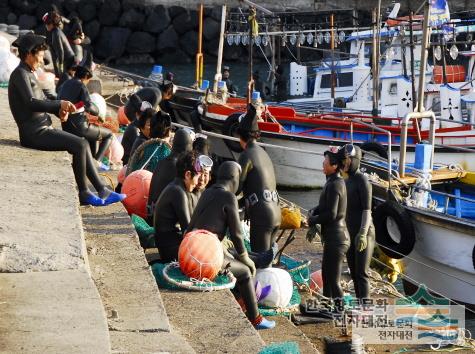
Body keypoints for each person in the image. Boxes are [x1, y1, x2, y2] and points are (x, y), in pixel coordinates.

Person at [8, 33, 124, 206]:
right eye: (39, 56)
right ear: (29, 54)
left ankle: (101, 189)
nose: (41, 61)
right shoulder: (20, 74)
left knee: (82, 143)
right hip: (34, 133)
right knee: (81, 144)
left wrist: (58, 111)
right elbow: (31, 103)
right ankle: (85, 193)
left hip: (41, 129)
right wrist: (59, 104)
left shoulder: (28, 72)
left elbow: (42, 102)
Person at [187, 161, 276, 330]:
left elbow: (192, 224)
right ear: (235, 180)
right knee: (245, 272)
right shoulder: (229, 197)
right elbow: (236, 234)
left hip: (190, 248)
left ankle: (241, 303)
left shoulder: (207, 192)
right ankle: (256, 319)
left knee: (229, 254)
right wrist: (245, 258)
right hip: (202, 258)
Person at [307, 147, 350, 304]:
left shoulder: (336, 184)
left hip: (337, 239)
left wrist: (313, 220)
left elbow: (332, 214)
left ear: (334, 166)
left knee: (332, 279)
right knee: (326, 274)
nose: (323, 163)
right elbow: (324, 206)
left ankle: (339, 311)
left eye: (326, 161)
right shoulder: (331, 182)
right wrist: (313, 211)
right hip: (332, 238)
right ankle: (326, 305)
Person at [58, 52, 113, 167]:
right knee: (108, 135)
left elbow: (60, 100)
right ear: (87, 76)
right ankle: (96, 162)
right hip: (79, 127)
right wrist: (98, 112)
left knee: (94, 135)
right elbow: (89, 106)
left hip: (66, 125)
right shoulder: (81, 86)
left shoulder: (66, 83)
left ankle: (91, 161)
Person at [153, 152, 204, 262]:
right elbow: (188, 230)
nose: (199, 181)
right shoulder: (178, 192)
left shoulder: (178, 187)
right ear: (188, 175)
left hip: (171, 241)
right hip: (169, 248)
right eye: (198, 176)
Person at [340, 144, 375, 301]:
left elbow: (367, 210)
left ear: (355, 160)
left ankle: (366, 308)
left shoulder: (362, 180)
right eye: (344, 159)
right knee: (353, 272)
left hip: (364, 232)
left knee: (362, 273)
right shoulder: (346, 181)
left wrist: (362, 233)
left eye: (348, 159)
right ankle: (360, 304)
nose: (345, 162)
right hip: (350, 232)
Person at [147, 128, 194, 220]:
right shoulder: (178, 167)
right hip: (163, 222)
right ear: (188, 148)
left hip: (150, 215)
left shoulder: (162, 162)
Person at [121, 87, 162, 165]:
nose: (146, 120)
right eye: (144, 117)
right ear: (137, 115)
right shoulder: (134, 129)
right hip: (127, 163)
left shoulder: (140, 128)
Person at [43, 11, 75, 78]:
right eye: (46, 24)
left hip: (67, 60)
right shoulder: (55, 31)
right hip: (67, 58)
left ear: (53, 23)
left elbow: (60, 51)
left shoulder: (56, 33)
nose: (46, 26)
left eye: (48, 23)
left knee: (65, 78)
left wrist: (60, 65)